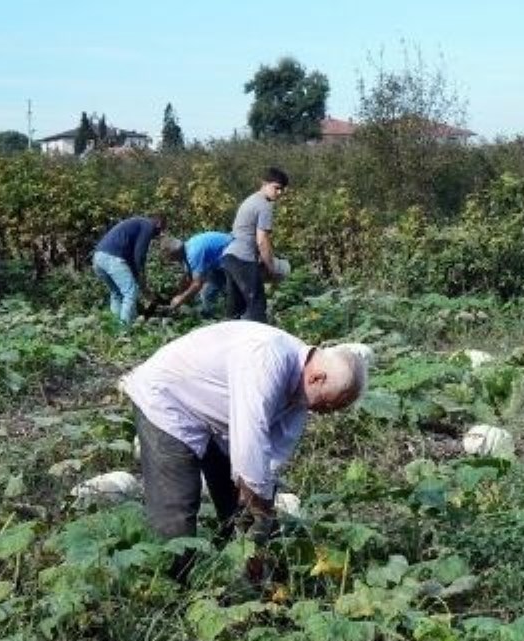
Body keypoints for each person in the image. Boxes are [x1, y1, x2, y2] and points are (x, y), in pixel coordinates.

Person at [123, 322, 367, 561]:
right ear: (318, 378)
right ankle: (172, 586)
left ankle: (235, 571)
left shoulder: (302, 392)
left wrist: (261, 509)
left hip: (218, 418)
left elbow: (271, 457)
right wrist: (260, 509)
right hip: (168, 400)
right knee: (177, 513)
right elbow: (250, 440)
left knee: (242, 508)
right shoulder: (266, 358)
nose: (325, 413)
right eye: (327, 405)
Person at [222, 166, 289, 322]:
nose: (279, 193)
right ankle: (260, 344)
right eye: (276, 188)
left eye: (282, 190)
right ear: (264, 183)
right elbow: (261, 240)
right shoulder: (264, 205)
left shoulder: (251, 200)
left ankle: (228, 342)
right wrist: (271, 268)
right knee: (257, 306)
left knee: (235, 308)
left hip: (229, 257)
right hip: (243, 259)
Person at [92, 215, 166, 326]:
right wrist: (142, 280)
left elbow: (131, 259)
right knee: (131, 292)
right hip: (112, 258)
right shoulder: (148, 225)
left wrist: (139, 280)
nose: (159, 235)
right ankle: (125, 329)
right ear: (159, 224)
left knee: (117, 293)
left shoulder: (137, 224)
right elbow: (139, 255)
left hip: (98, 258)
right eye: (161, 230)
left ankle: (115, 327)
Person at [164, 230, 233, 317]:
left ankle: (225, 317)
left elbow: (197, 284)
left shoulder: (193, 254)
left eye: (172, 259)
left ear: (176, 254)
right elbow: (187, 276)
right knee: (209, 293)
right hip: (219, 261)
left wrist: (181, 299)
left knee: (227, 293)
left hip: (234, 255)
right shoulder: (186, 248)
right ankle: (216, 314)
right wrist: (179, 294)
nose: (174, 261)